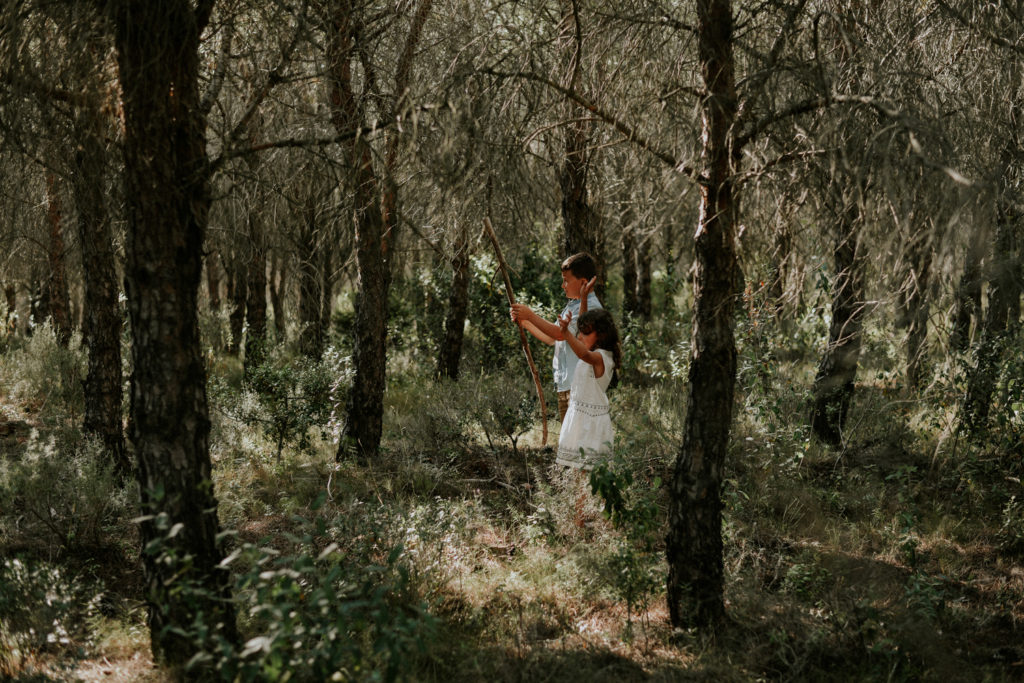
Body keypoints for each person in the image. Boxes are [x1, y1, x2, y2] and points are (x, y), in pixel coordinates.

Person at [510, 252, 602, 422]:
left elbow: (560, 334)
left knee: (578, 441)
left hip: (579, 387)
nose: (562, 285)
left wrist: (530, 315)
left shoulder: (591, 307)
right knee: (568, 441)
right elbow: (552, 338)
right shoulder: (572, 305)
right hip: (565, 385)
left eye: (566, 280)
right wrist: (525, 323)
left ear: (583, 283)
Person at [554, 309, 620, 470]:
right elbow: (583, 349)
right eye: (579, 332)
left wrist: (565, 333)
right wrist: (583, 297)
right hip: (580, 419)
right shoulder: (593, 352)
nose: (579, 337)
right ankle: (580, 496)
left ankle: (587, 496)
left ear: (602, 335)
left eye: (585, 333)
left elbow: (583, 354)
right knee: (578, 470)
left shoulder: (601, 357)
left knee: (588, 472)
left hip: (591, 423)